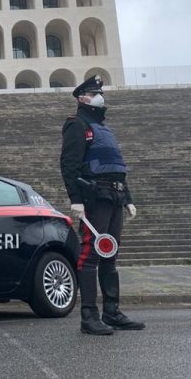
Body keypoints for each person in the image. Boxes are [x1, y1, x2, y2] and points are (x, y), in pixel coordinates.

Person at [60, 75, 145, 335]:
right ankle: (89, 316)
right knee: (90, 255)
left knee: (110, 255)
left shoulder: (104, 129)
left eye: (100, 92)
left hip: (114, 196)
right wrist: (76, 199)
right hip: (94, 198)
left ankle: (112, 312)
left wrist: (127, 198)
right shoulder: (77, 125)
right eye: (94, 93)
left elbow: (116, 167)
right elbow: (69, 165)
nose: (99, 96)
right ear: (82, 98)